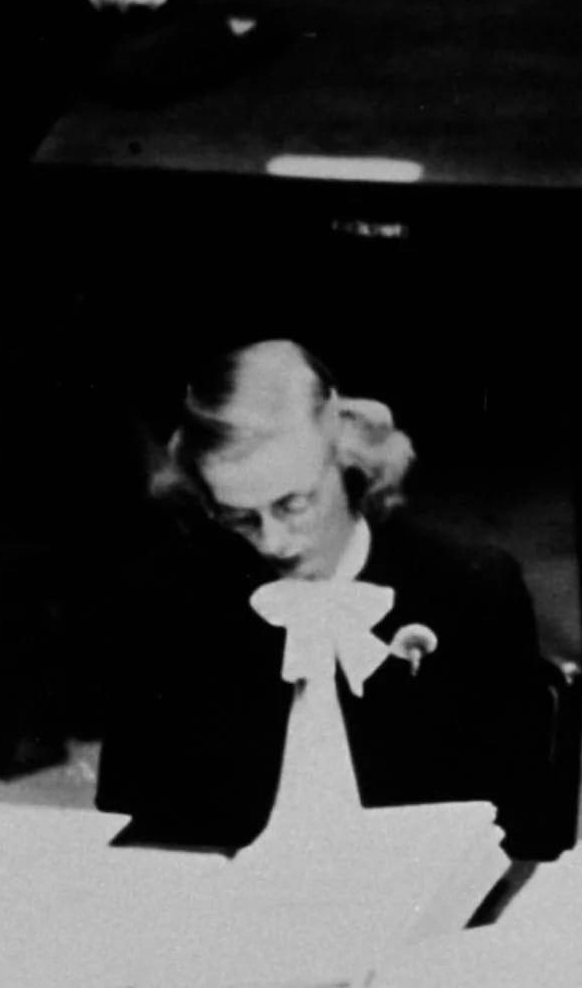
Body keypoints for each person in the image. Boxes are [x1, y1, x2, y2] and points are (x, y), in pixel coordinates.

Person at [97, 337, 548, 848]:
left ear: (344, 448)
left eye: (293, 504)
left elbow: (525, 823)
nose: (274, 542)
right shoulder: (166, 602)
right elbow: (129, 816)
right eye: (239, 518)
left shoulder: (472, 587)